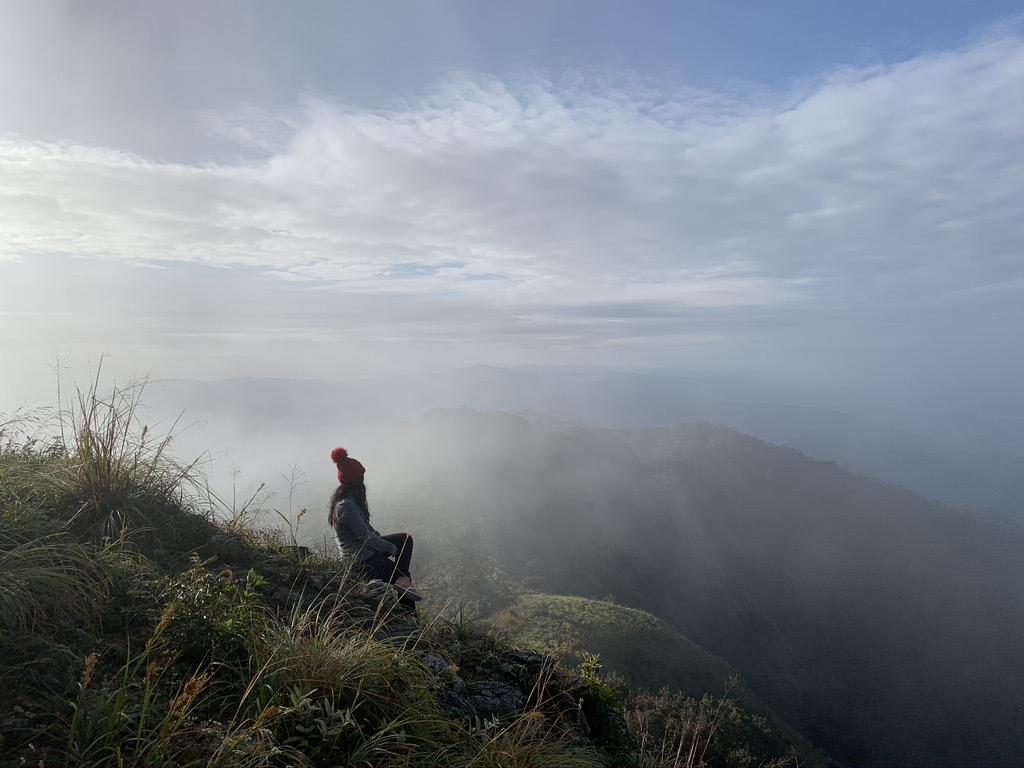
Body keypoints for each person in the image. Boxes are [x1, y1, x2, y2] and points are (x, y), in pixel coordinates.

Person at [328, 447, 422, 607]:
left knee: (405, 540)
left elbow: (368, 530)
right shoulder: (346, 506)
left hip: (365, 553)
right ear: (357, 481)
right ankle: (409, 611)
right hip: (361, 560)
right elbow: (364, 537)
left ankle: (401, 579)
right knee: (404, 577)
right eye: (362, 477)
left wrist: (383, 543)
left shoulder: (351, 502)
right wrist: (390, 549)